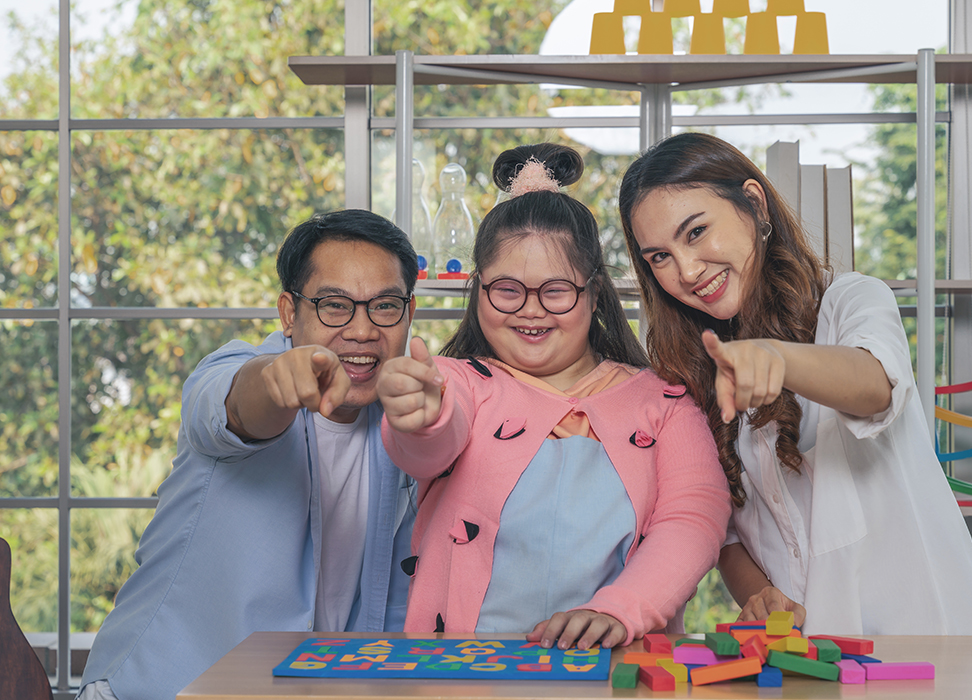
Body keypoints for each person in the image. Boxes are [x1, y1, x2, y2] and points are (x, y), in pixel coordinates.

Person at [618, 131, 972, 636]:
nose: (686, 270)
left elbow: (875, 384)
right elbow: (726, 534)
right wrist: (759, 595)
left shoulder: (852, 301)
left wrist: (774, 356)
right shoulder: (693, 369)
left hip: (933, 650)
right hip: (808, 662)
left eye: (695, 232)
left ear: (753, 204)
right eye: (659, 257)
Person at [376, 144, 732, 651]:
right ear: (478, 290)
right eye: (506, 290)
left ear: (593, 293)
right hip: (460, 675)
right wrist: (419, 418)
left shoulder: (667, 404)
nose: (531, 311)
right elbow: (428, 442)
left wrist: (620, 610)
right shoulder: (458, 382)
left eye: (557, 290)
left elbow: (694, 518)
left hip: (617, 670)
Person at [78, 210, 419, 700]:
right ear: (288, 313)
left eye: (384, 306)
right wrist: (276, 381)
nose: (362, 330)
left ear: (408, 313)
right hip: (160, 686)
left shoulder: (403, 423)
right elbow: (233, 407)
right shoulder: (234, 369)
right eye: (333, 305)